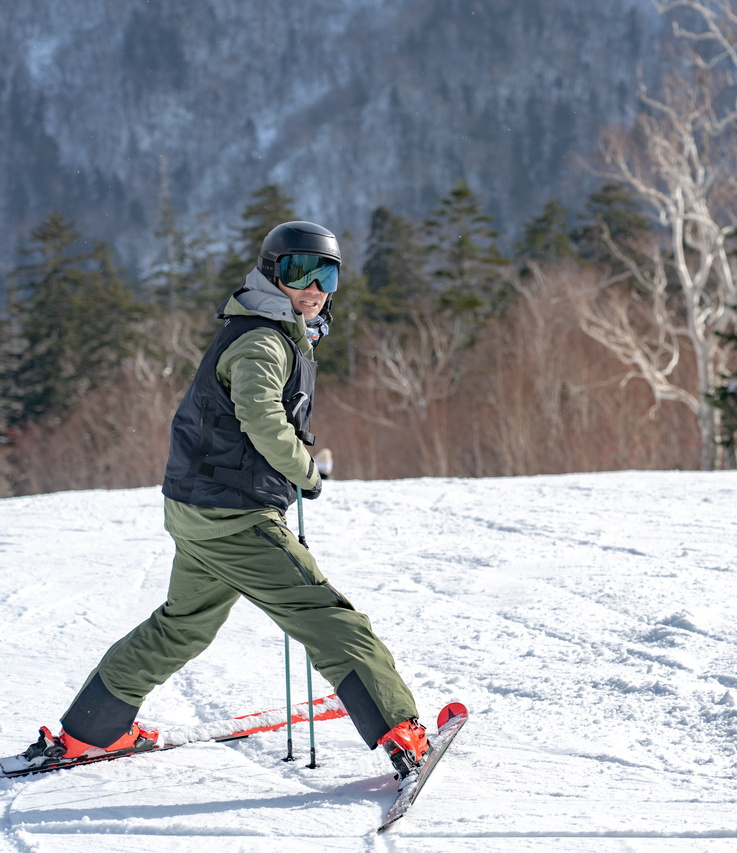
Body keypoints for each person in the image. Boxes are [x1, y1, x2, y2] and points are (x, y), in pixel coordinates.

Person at [20, 221, 432, 778]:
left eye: (326, 274)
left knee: (182, 625)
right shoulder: (263, 340)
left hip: (196, 511)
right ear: (271, 273)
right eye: (297, 271)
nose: (313, 287)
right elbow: (261, 417)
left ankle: (93, 730)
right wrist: (304, 470)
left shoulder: (274, 331)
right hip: (234, 514)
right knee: (325, 616)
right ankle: (401, 734)